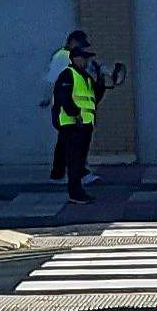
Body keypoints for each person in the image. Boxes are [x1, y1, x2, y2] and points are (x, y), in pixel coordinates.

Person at [48, 30, 116, 203]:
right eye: (84, 58)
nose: (87, 61)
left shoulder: (84, 77)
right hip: (72, 124)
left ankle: (76, 189)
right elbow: (63, 97)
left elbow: (94, 97)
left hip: (84, 125)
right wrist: (75, 114)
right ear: (76, 58)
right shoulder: (68, 74)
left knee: (79, 159)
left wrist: (102, 81)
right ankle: (75, 192)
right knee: (74, 160)